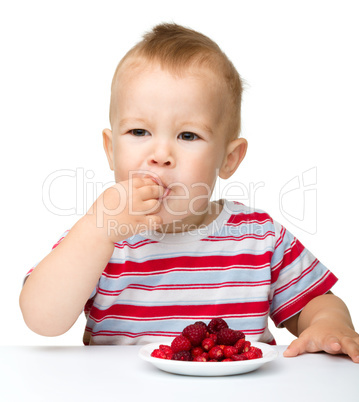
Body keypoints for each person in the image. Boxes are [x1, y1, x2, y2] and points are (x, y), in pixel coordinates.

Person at [20, 23, 359, 362]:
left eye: (188, 136)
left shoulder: (258, 237)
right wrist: (97, 231)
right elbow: (41, 319)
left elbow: (315, 301)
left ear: (228, 159)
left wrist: (330, 324)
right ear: (111, 150)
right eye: (139, 131)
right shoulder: (98, 239)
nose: (161, 154)